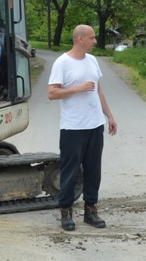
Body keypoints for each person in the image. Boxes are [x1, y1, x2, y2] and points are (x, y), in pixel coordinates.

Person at [48, 24, 118, 231]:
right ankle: (66, 211)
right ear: (80, 39)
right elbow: (52, 93)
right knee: (70, 171)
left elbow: (99, 91)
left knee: (93, 171)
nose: (95, 41)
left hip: (95, 125)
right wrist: (77, 88)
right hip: (73, 127)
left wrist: (109, 116)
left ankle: (90, 210)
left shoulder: (93, 61)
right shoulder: (62, 63)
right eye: (92, 38)